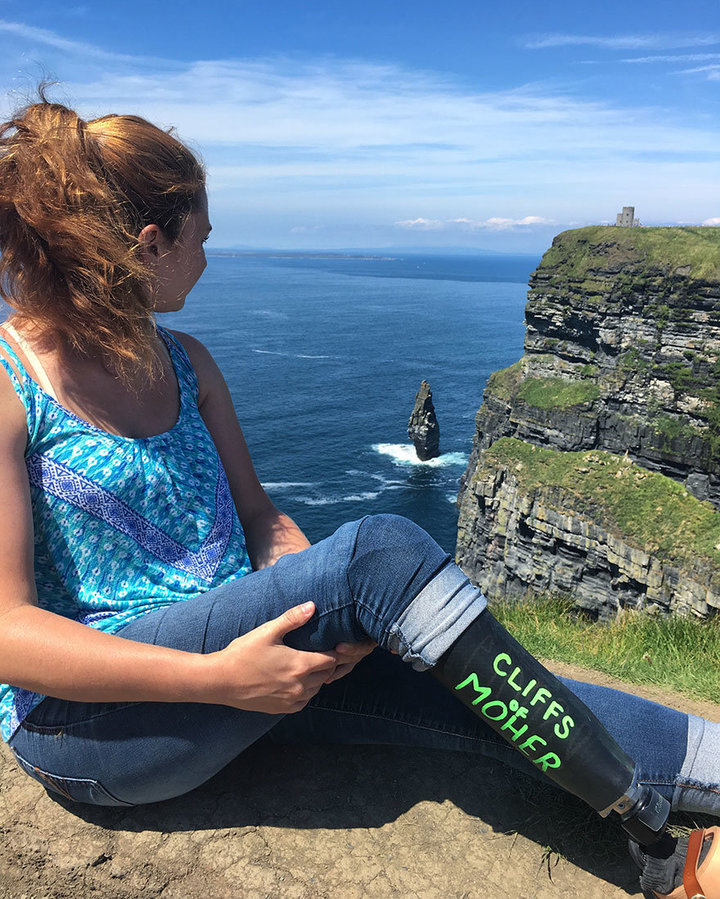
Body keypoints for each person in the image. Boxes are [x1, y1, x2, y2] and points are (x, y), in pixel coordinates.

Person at [0, 96, 718, 899]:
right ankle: (654, 834)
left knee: (465, 691)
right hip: (94, 725)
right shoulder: (9, 385)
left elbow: (261, 518)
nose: (209, 253)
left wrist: (327, 611)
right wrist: (221, 681)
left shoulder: (187, 361)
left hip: (245, 662)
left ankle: (704, 787)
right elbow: (7, 632)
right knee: (382, 553)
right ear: (150, 244)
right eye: (201, 235)